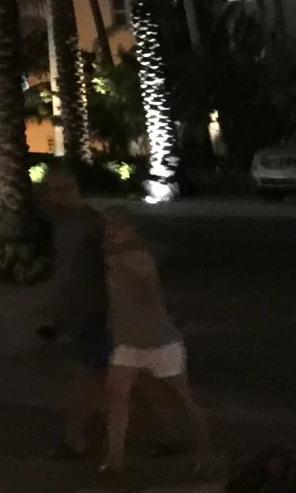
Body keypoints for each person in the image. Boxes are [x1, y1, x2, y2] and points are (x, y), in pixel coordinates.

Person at [101, 210, 214, 478]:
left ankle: (206, 454)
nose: (112, 231)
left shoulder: (138, 260)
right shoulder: (109, 259)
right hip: (127, 343)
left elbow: (153, 294)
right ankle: (113, 458)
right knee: (118, 398)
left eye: (118, 226)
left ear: (132, 230)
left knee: (181, 398)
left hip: (159, 341)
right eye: (107, 226)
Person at [35, 164, 110, 460]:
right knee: (115, 378)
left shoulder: (93, 224)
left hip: (97, 312)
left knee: (86, 378)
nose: (51, 197)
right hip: (80, 313)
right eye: (49, 190)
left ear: (71, 188)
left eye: (57, 189)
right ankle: (169, 435)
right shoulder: (61, 219)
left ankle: (75, 439)